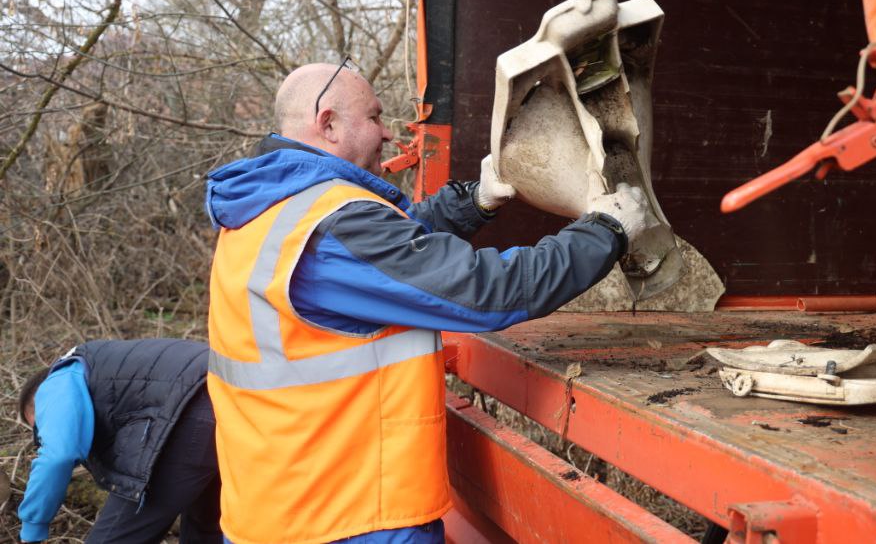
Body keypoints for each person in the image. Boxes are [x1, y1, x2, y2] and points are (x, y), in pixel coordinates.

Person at [205, 60, 650, 544]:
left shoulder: (274, 206)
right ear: (328, 123)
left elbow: (394, 253)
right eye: (375, 118)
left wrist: (477, 199)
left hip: (283, 505)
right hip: (348, 519)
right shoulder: (331, 228)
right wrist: (606, 232)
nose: (388, 135)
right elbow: (488, 291)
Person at [14, 338, 219, 543]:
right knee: (206, 530)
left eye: (39, 427)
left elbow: (57, 455)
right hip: (229, 400)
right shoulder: (103, 368)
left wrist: (32, 529)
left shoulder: (59, 379)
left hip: (184, 413)